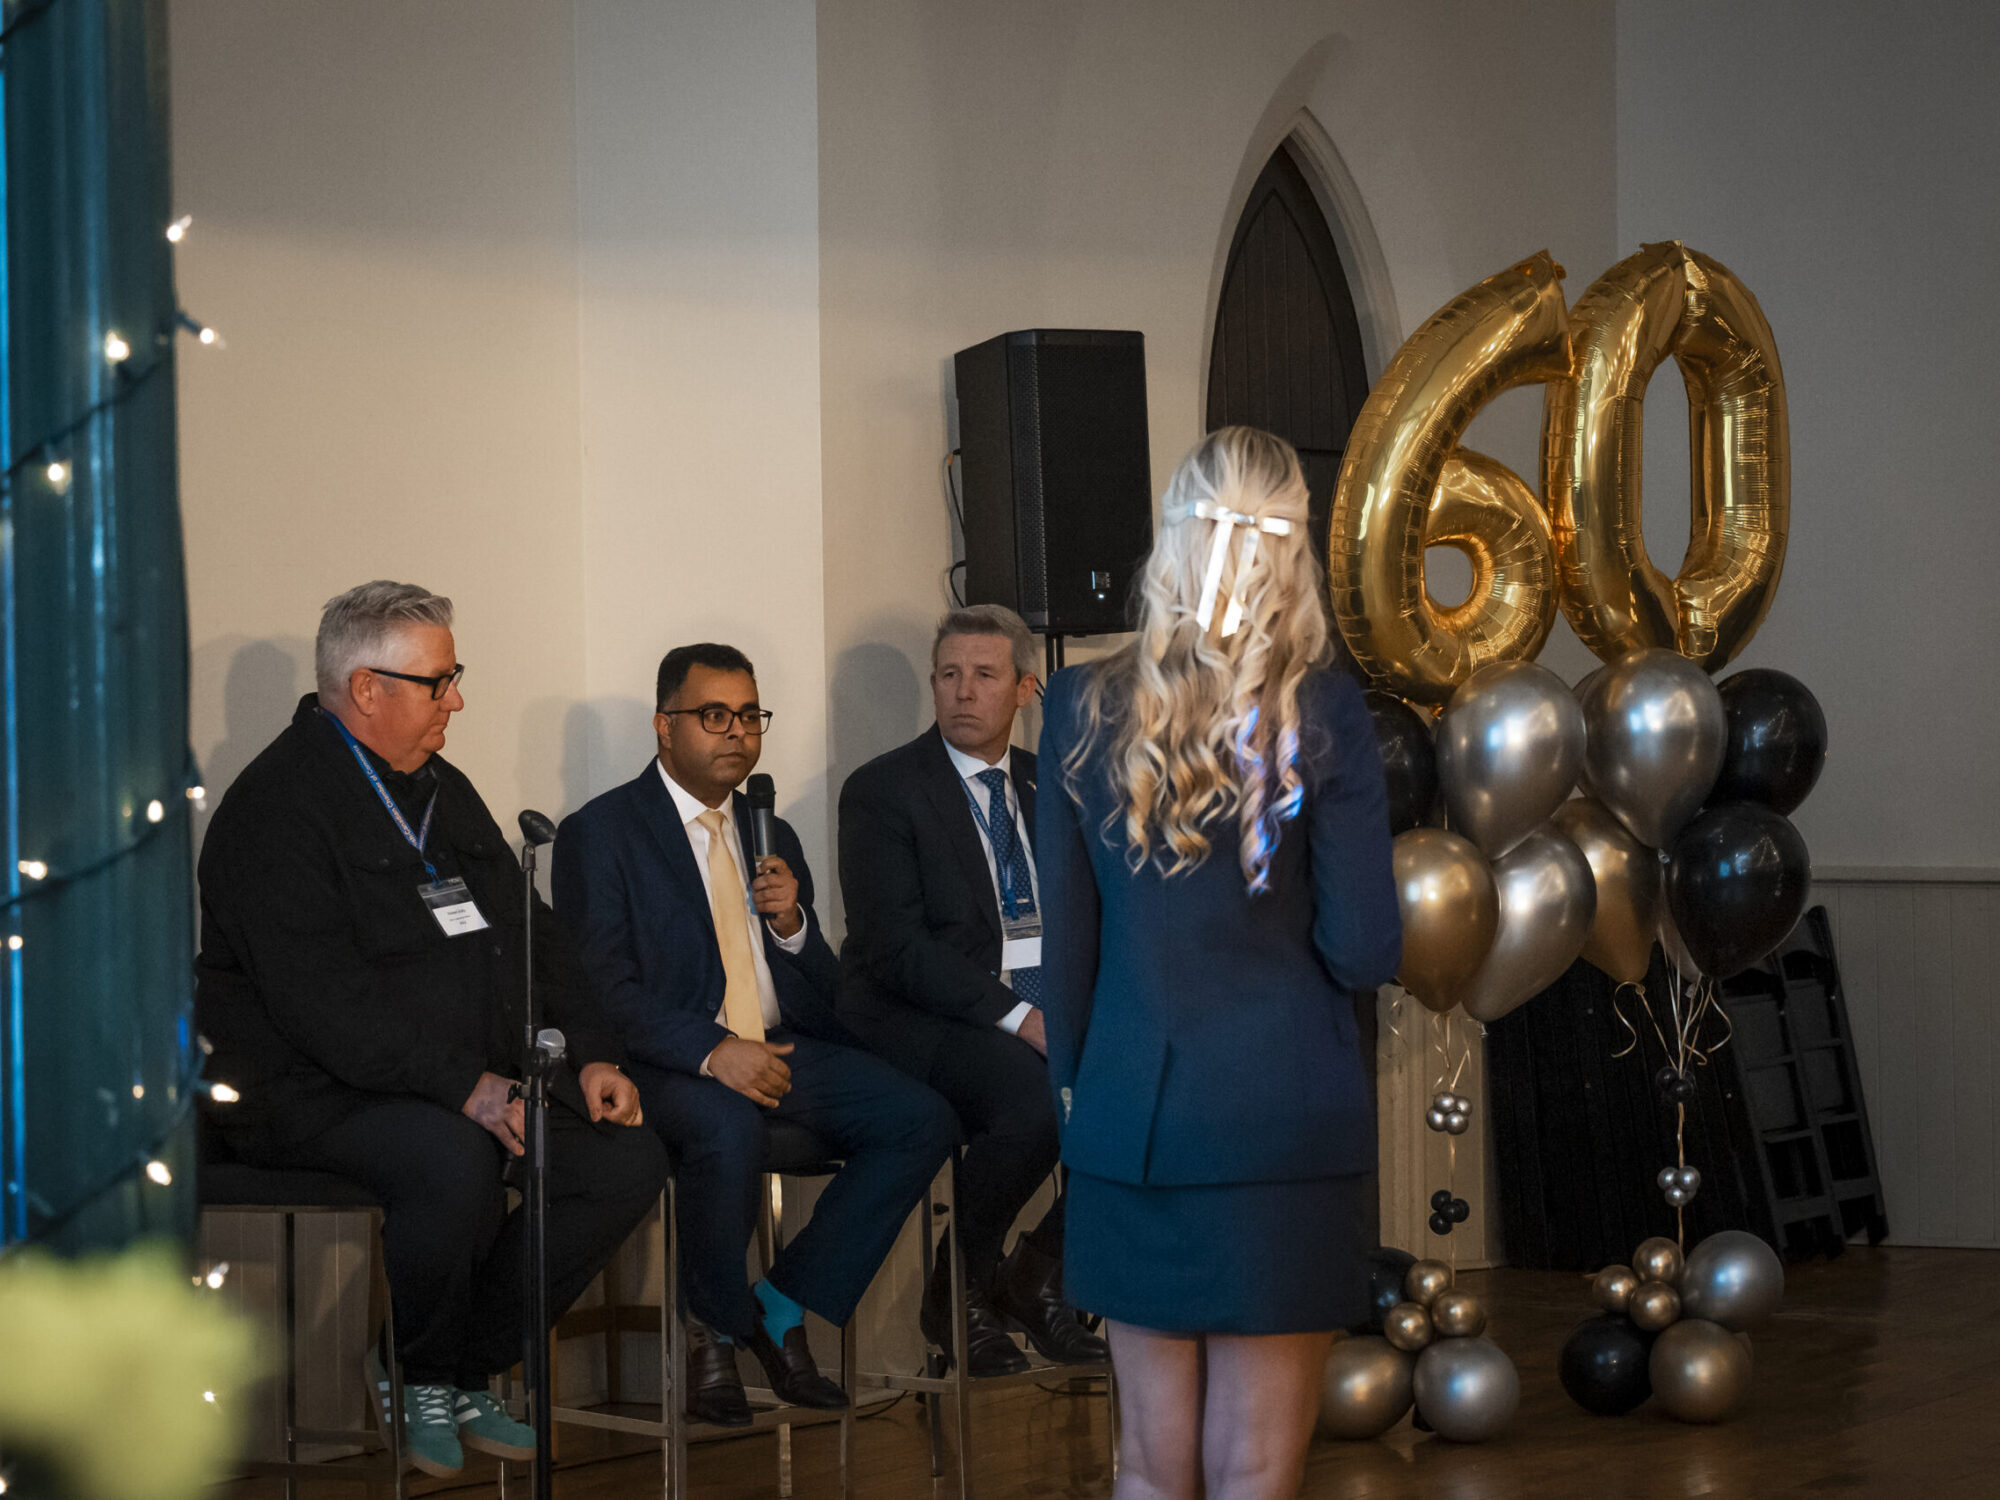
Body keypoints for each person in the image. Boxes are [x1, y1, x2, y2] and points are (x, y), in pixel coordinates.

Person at [195, 581, 667, 1480]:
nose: (457, 699)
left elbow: (536, 937)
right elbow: (320, 1005)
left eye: (455, 677)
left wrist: (595, 1050)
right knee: (452, 1158)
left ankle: (456, 1365)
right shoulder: (275, 811)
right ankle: (422, 1375)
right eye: (438, 681)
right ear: (365, 688)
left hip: (452, 1078)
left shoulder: (439, 788)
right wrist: (468, 1086)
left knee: (622, 1157)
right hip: (308, 1090)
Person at [1036, 429, 1402, 1499]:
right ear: (1295, 546)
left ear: (1173, 538)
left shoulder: (1079, 704)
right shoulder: (1325, 710)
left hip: (1130, 1120)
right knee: (1253, 1475)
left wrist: (1079, 1099)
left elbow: (1069, 951)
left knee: (1150, 1470)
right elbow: (1362, 946)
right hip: (1283, 1124)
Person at [552, 643, 956, 1426]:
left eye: (748, 716)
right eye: (714, 716)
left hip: (775, 1046)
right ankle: (711, 1329)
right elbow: (602, 992)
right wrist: (712, 1052)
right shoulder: (601, 833)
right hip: (665, 1061)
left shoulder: (771, 831)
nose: (736, 732)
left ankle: (782, 1299)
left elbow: (821, 992)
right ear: (665, 726)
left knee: (922, 1118)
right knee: (726, 1124)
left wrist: (794, 925)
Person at [837, 604, 1107, 1375]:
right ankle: (958, 1289)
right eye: (948, 675)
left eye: (984, 676)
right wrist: (1021, 1016)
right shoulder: (883, 790)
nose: (962, 691)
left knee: (1150, 1091)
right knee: (1033, 1105)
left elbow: (1091, 911)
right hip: (914, 1011)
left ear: (1024, 688)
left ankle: (1039, 1274)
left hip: (1039, 1004)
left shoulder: (1051, 783)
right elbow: (894, 947)